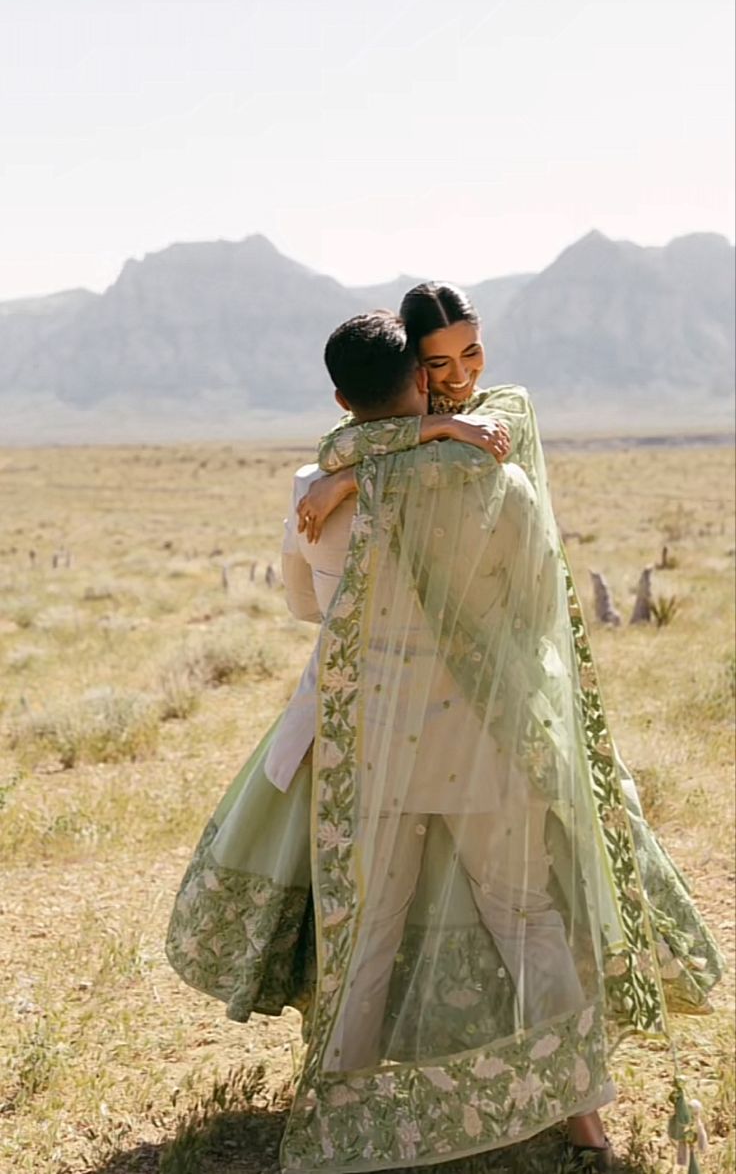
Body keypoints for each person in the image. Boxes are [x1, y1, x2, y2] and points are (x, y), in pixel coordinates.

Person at [166, 302, 722, 1174]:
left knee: (368, 931)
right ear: (422, 381)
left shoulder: (321, 483)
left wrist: (355, 473)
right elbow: (533, 609)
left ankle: (347, 1117)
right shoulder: (496, 477)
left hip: (366, 748)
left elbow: (307, 607)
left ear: (344, 400)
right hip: (483, 740)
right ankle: (584, 1123)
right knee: (525, 916)